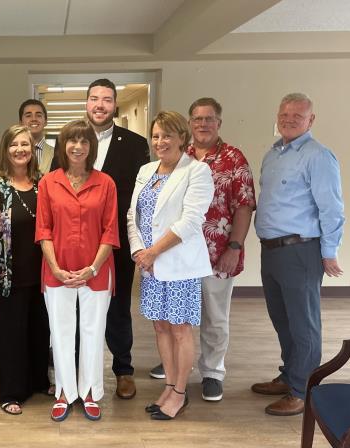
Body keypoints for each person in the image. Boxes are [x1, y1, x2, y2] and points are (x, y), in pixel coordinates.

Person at [149, 98, 256, 403]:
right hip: (177, 253)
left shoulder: (233, 159)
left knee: (215, 317)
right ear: (189, 123)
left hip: (217, 253)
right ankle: (175, 365)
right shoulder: (178, 155)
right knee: (175, 315)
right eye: (197, 119)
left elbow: (244, 206)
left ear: (219, 123)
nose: (203, 124)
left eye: (209, 119)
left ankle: (212, 372)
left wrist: (234, 246)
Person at [252, 93, 344, 416]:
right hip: (271, 251)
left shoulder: (318, 156)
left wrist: (329, 252)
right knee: (283, 320)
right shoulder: (273, 154)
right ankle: (289, 374)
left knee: (304, 324)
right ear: (278, 116)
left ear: (311, 120)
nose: (289, 120)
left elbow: (332, 209)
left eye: (298, 115)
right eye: (285, 114)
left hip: (300, 250)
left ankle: (301, 390)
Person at [127, 111, 214, 420]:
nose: (160, 141)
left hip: (178, 266)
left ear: (181, 138)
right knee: (160, 326)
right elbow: (133, 215)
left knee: (179, 329)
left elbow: (191, 221)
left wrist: (153, 252)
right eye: (156, 136)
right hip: (150, 266)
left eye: (167, 135)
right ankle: (168, 386)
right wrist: (139, 251)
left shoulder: (197, 171)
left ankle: (179, 392)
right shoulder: (146, 170)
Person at [36, 119, 119, 422]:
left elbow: (110, 231)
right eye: (72, 140)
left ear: (91, 147)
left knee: (93, 333)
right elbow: (43, 229)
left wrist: (93, 268)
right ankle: (64, 392)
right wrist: (55, 267)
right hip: (56, 271)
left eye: (84, 141)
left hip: (96, 272)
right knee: (60, 333)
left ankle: (90, 392)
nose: (78, 146)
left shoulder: (106, 183)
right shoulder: (48, 183)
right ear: (63, 146)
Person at [0, 124, 50, 415]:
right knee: (12, 335)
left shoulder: (44, 183)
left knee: (39, 331)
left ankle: (39, 382)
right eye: (14, 145)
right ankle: (11, 392)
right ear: (5, 150)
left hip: (43, 273)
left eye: (25, 144)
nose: (20, 150)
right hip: (6, 274)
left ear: (33, 149)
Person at [84, 78, 149, 399]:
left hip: (118, 240)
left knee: (118, 305)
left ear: (114, 105)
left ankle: (123, 369)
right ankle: (81, 371)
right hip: (77, 240)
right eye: (94, 98)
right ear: (87, 103)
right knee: (79, 305)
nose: (100, 105)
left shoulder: (135, 144)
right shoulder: (72, 139)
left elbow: (140, 198)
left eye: (106, 99)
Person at [18, 99, 54, 174]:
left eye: (38, 115)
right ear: (20, 122)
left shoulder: (57, 154)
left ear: (46, 121)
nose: (34, 119)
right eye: (28, 116)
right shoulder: (13, 153)